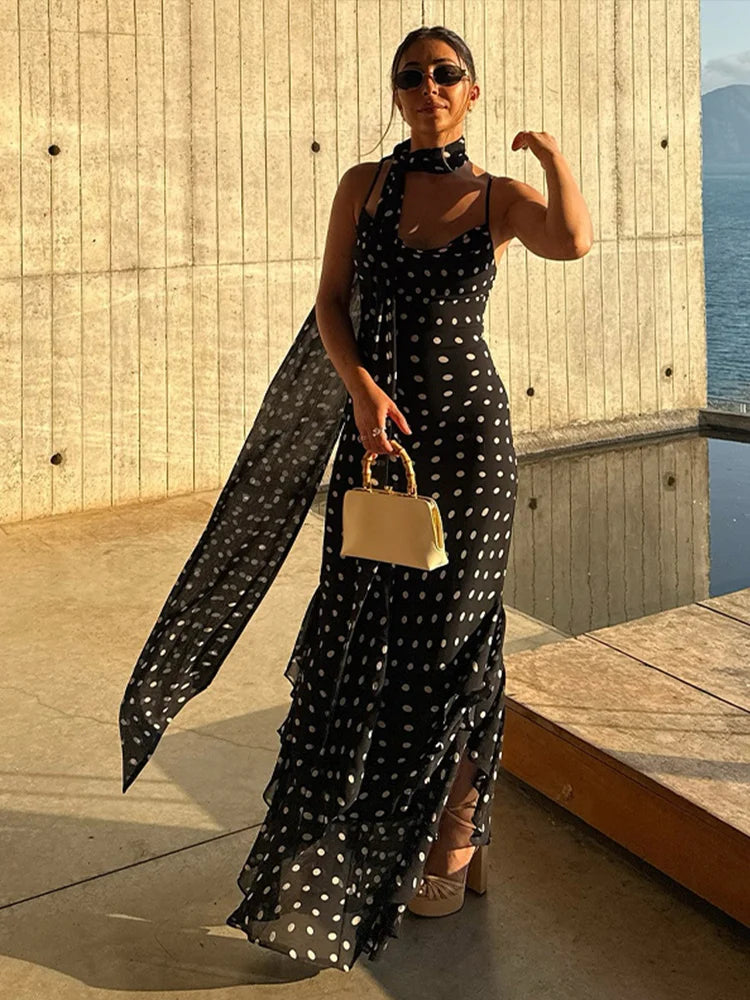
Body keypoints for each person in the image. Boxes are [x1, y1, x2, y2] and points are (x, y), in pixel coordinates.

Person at [119, 24, 593, 974]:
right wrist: (362, 391)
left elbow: (572, 242)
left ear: (471, 92)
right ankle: (368, 835)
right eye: (412, 76)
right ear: (396, 94)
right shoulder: (363, 187)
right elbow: (332, 302)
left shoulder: (497, 198)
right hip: (378, 451)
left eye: (446, 74)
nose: (429, 87)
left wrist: (550, 157)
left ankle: (457, 833)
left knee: (454, 638)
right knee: (365, 637)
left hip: (470, 448)